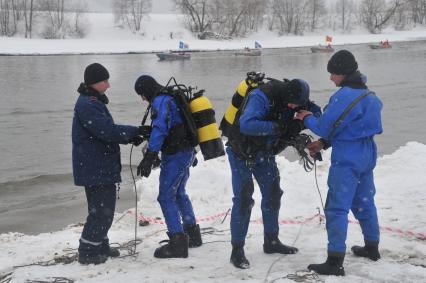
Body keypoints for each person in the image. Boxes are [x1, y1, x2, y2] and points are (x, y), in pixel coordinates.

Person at [295, 50, 383, 276]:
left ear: (342, 73)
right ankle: (372, 247)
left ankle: (334, 262)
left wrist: (305, 117)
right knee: (364, 201)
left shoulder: (344, 95)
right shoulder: (369, 95)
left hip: (348, 158)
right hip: (366, 152)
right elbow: (348, 128)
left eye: (333, 73)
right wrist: (324, 144)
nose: (331, 78)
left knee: (336, 207)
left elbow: (324, 125)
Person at [225, 78, 321, 269]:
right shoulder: (262, 97)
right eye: (292, 103)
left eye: (298, 105)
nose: (295, 107)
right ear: (286, 95)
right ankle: (237, 250)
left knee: (273, 195)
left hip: (265, 153)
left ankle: (271, 241)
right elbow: (247, 124)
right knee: (244, 199)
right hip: (241, 152)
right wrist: (279, 127)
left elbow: (317, 112)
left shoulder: (298, 99)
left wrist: (302, 122)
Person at [72, 63, 145, 265]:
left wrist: (132, 135)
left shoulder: (92, 101)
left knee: (100, 209)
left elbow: (106, 131)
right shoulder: (88, 104)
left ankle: (99, 245)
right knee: (102, 212)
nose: (109, 85)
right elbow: (106, 130)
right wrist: (135, 132)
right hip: (95, 167)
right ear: (95, 82)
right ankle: (88, 252)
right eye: (105, 81)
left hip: (96, 165)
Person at [134, 75, 202, 259]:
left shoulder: (161, 100)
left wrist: (150, 156)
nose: (142, 99)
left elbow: (160, 129)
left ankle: (178, 244)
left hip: (176, 154)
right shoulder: (172, 96)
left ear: (145, 91)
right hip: (186, 151)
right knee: (179, 192)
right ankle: (193, 235)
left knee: (165, 196)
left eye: (141, 94)